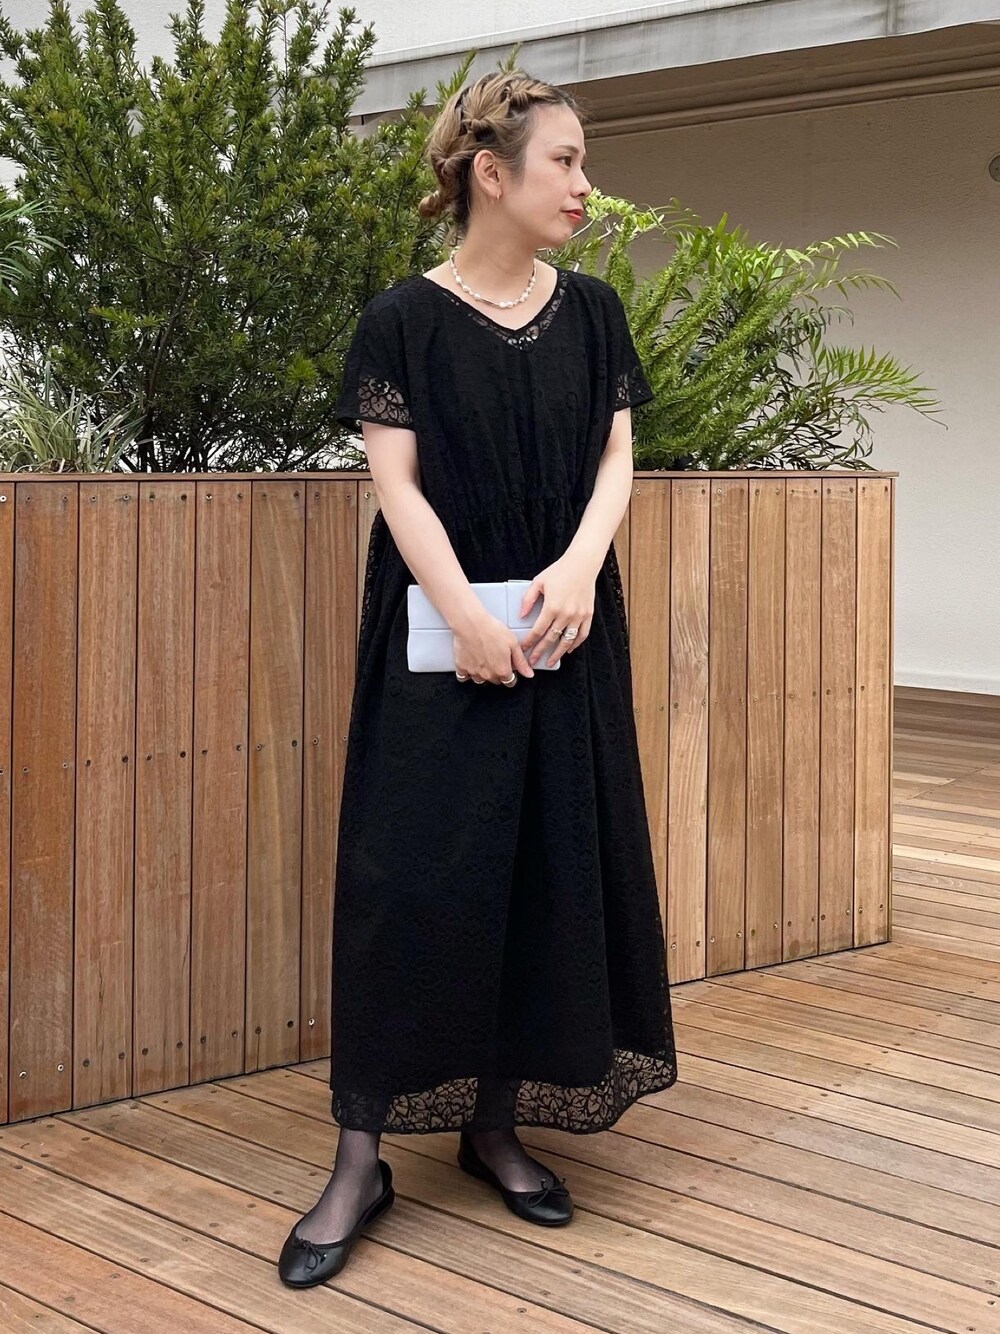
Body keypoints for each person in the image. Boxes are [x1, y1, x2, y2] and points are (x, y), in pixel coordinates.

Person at [278, 69, 678, 1289]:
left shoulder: (594, 311)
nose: (585, 184)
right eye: (565, 160)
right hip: (435, 633)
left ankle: (491, 1126)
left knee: (542, 865)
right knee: (404, 877)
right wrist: (460, 612)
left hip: (563, 624)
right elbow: (394, 483)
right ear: (491, 175)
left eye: (582, 160)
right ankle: (360, 1157)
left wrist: (579, 567)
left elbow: (616, 458)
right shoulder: (402, 318)